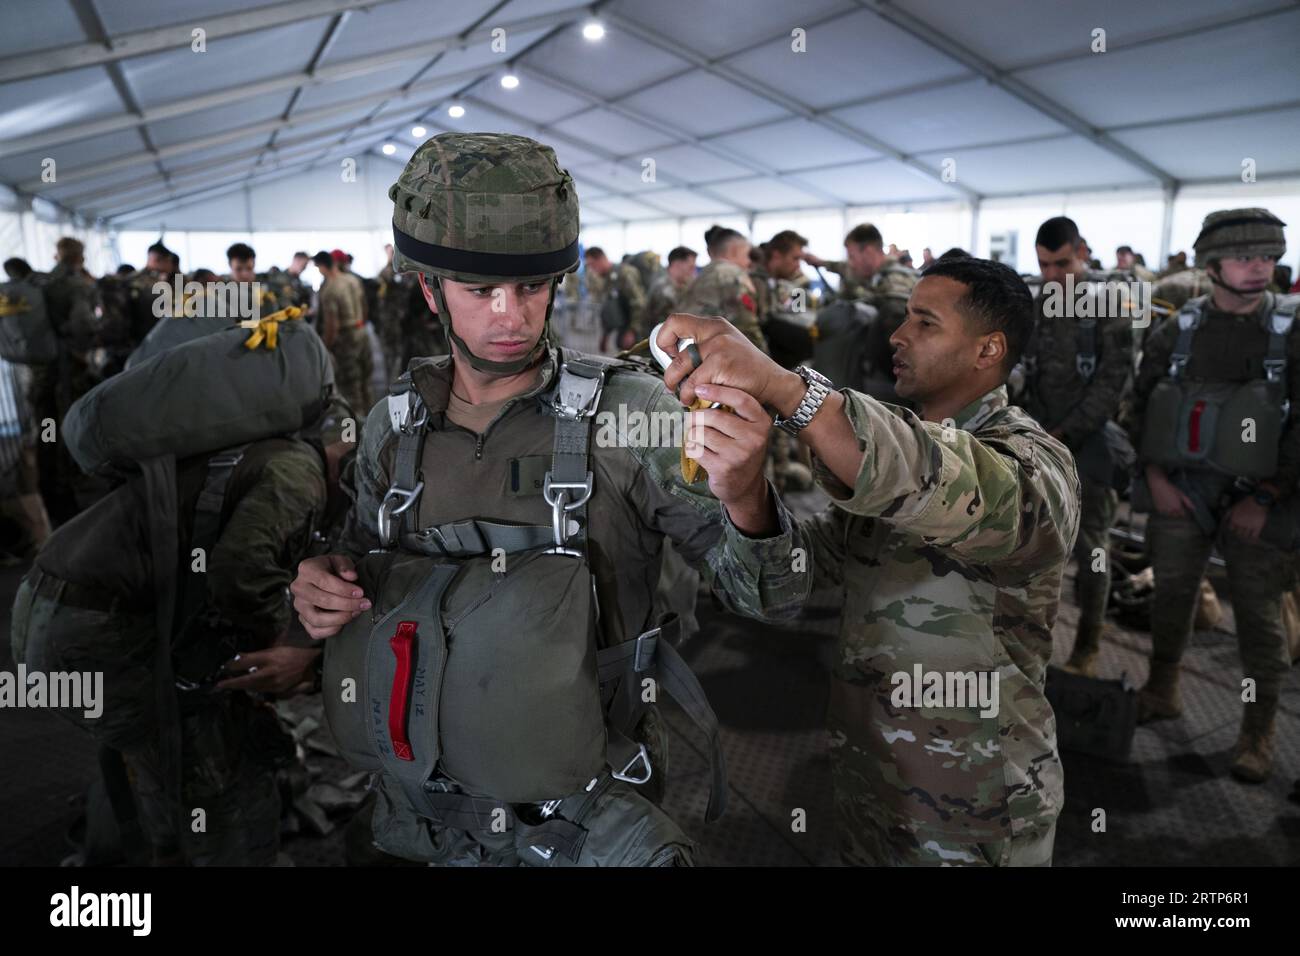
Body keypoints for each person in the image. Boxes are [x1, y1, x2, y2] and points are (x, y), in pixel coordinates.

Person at [290, 132, 808, 867]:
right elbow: (357, 565)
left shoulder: (633, 417)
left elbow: (776, 601)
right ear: (431, 289)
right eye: (480, 292)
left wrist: (750, 498)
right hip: (426, 819)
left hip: (579, 821)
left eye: (532, 288)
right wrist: (322, 587)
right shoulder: (393, 426)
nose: (510, 316)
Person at [658, 254, 1079, 866]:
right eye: (905, 316)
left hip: (978, 812)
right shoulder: (881, 465)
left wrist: (785, 389)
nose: (897, 335)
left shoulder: (1034, 464)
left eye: (925, 323)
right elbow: (785, 588)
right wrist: (747, 495)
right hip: (871, 786)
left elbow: (935, 476)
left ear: (989, 350)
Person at [1128, 208, 1298, 783]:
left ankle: (1257, 731)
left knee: (1259, 619)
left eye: (1269, 258)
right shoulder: (1177, 330)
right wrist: (1154, 479)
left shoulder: (1292, 330)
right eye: (1246, 258)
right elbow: (1139, 407)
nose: (1260, 269)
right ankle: (1163, 686)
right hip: (1180, 487)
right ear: (1212, 264)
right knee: (1172, 595)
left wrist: (1269, 496)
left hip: (1263, 496)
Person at [1019, 216, 1135, 675]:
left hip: (1084, 444)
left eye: (1061, 263)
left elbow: (1113, 385)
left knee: (1093, 549)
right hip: (1035, 439)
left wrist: (1063, 433)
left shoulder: (1109, 304)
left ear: (1082, 252)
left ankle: (1087, 644)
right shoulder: (1037, 301)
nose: (1052, 275)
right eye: (1044, 265)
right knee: (1029, 541)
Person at [676, 225, 766, 353]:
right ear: (734, 251)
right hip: (722, 358)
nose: (748, 262)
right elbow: (747, 329)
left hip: (691, 355)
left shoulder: (699, 277)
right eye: (747, 255)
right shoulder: (735, 276)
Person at [312, 250, 372, 417]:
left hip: (346, 341)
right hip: (361, 332)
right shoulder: (353, 280)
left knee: (350, 390)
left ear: (323, 267)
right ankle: (375, 425)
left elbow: (332, 326)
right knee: (366, 384)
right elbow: (364, 307)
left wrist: (325, 347)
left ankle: (354, 436)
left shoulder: (329, 290)